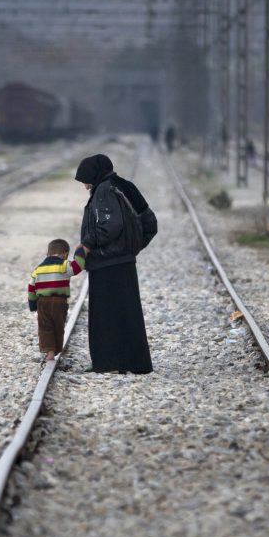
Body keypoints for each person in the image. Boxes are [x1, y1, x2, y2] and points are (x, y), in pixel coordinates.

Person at [75, 154, 157, 374]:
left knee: (105, 318)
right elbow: (150, 222)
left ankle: (109, 363)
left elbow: (111, 225)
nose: (85, 186)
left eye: (85, 180)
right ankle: (135, 363)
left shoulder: (104, 190)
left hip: (107, 264)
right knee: (127, 315)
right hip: (123, 262)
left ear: (95, 175)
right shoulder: (122, 186)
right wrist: (131, 249)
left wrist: (87, 245)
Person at [27, 239, 86, 361]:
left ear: (48, 254)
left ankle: (50, 352)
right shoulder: (64, 265)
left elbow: (31, 287)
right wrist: (80, 251)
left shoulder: (38, 269)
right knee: (58, 326)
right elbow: (79, 266)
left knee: (45, 327)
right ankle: (57, 348)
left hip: (43, 302)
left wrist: (33, 305)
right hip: (59, 302)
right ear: (65, 254)